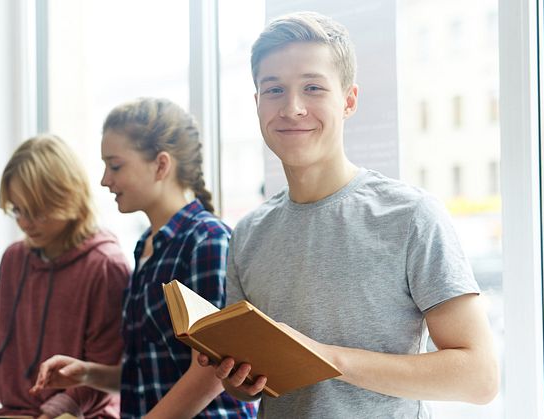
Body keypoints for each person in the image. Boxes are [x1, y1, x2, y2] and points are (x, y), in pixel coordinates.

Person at [197, 11, 500, 418]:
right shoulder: (249, 232)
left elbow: (478, 377)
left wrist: (325, 359)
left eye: (312, 87)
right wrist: (242, 381)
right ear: (257, 104)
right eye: (274, 90)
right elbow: (253, 390)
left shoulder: (410, 216)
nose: (292, 107)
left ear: (349, 100)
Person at [30, 98, 257, 418]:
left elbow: (212, 372)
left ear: (161, 165)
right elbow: (150, 375)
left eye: (116, 165)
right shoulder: (145, 248)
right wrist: (88, 373)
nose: (105, 180)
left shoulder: (207, 240)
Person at [0, 135, 130, 419]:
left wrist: (50, 415)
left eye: (37, 211)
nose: (25, 223)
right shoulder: (13, 260)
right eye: (17, 210)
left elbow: (104, 374)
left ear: (69, 197)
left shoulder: (106, 266)